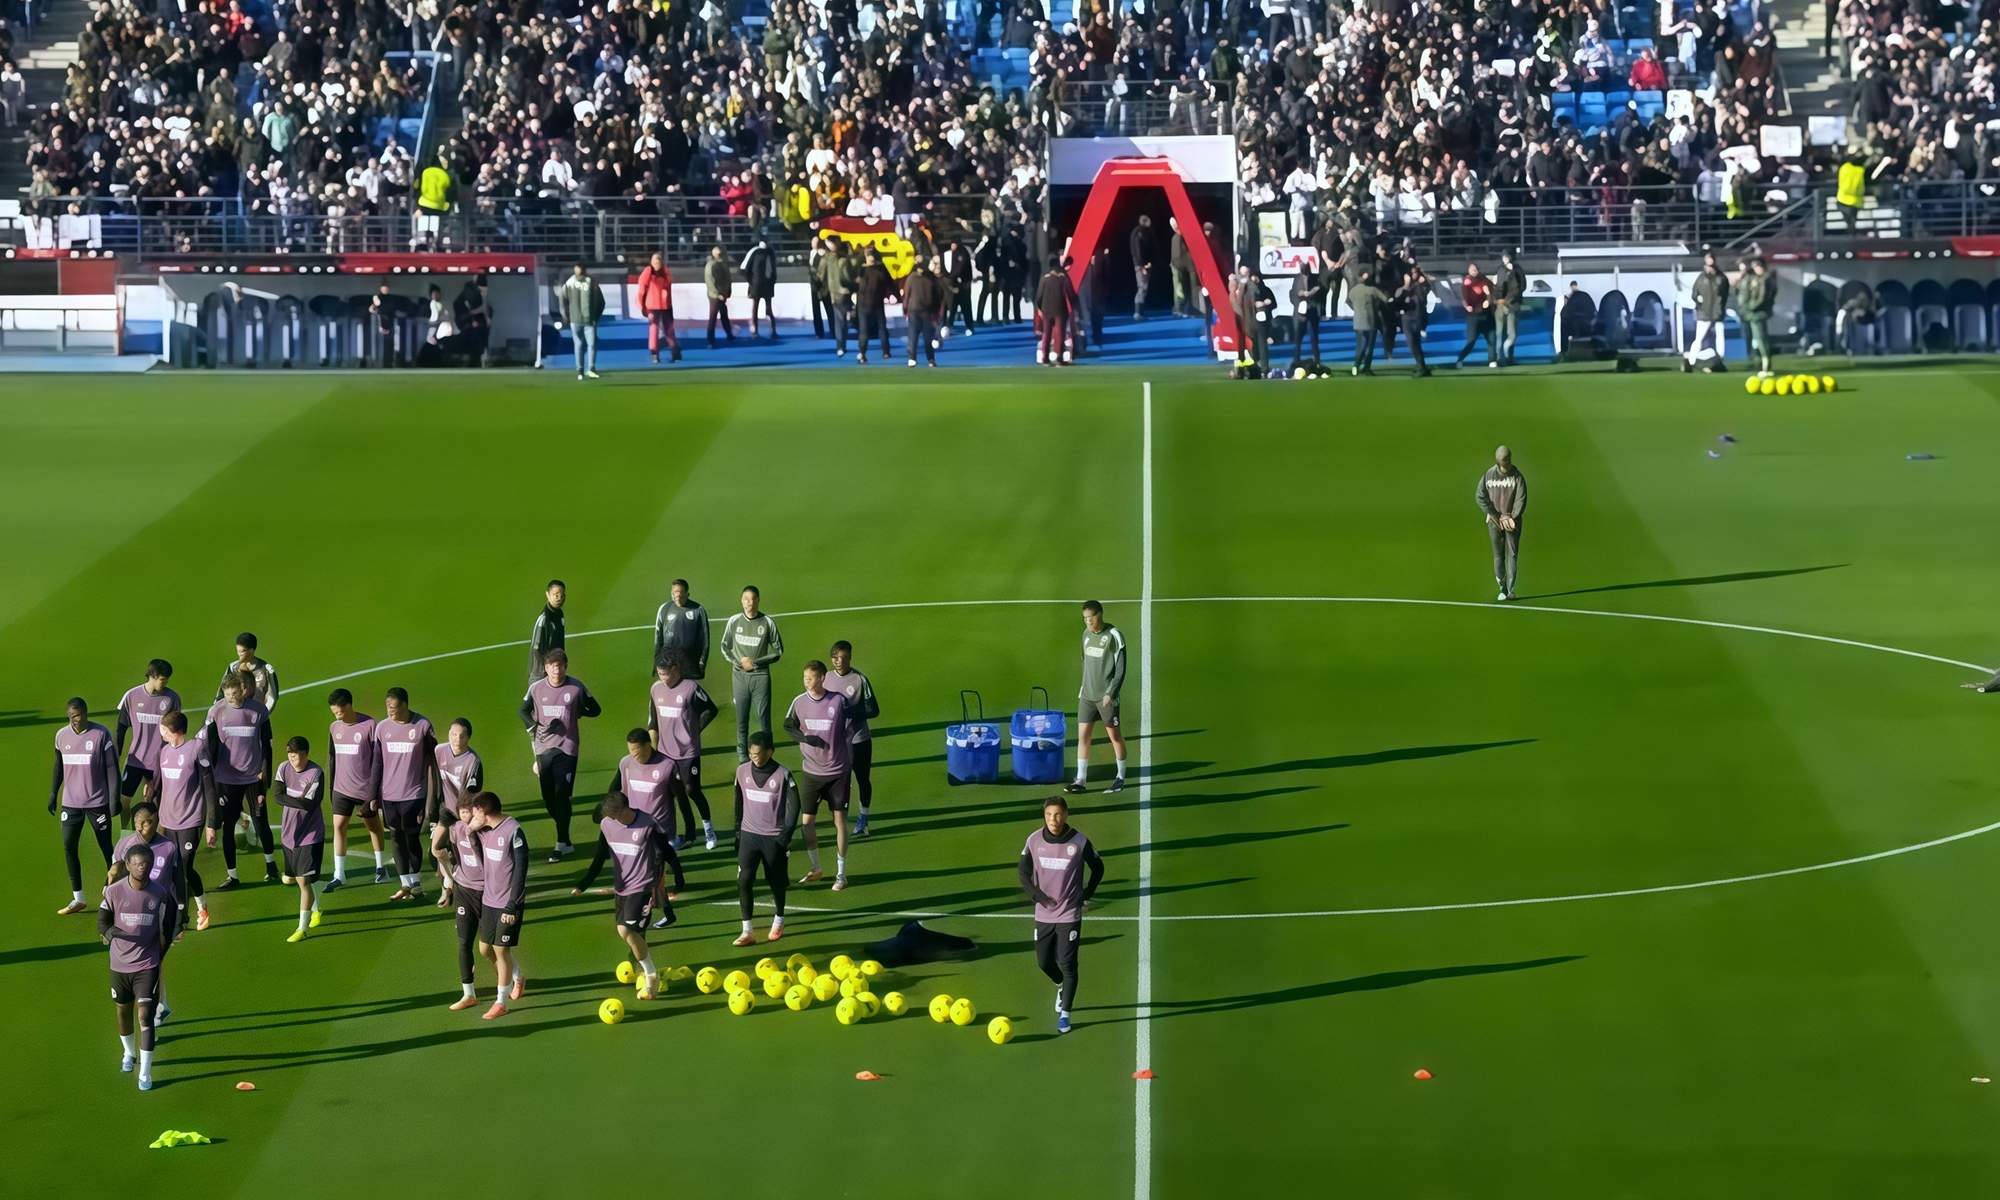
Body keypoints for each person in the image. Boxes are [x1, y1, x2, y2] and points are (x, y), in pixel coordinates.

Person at [572, 790, 677, 998]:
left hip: (643, 887)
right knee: (632, 932)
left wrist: (673, 881)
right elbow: (600, 857)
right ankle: (641, 968)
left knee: (626, 930)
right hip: (622, 889)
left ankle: (651, 974)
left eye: (612, 815)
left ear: (623, 810)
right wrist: (583, 884)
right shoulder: (607, 825)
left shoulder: (648, 824)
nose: (610, 819)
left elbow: (665, 852)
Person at [1018, 795, 1104, 1035]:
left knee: (1067, 964)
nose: (1052, 820)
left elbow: (1098, 867)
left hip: (1069, 913)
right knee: (1043, 962)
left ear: (1065, 815)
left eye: (1057, 815)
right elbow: (1023, 873)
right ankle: (1060, 985)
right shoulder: (1034, 840)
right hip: (1043, 913)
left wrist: (1086, 893)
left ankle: (1065, 1013)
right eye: (1048, 815)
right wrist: (1039, 897)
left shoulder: (1079, 842)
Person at [99, 841, 178, 1090]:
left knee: (145, 1016)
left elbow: (169, 925)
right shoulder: (114, 892)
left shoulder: (160, 894)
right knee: (123, 1012)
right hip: (119, 965)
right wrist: (111, 934)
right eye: (138, 864)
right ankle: (128, 1054)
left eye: (147, 864)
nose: (143, 867)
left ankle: (145, 1073)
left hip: (147, 964)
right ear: (129, 865)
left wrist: (159, 953)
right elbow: (102, 922)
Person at [519, 649, 600, 860]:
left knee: (562, 794)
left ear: (565, 666)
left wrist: (578, 711)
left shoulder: (576, 687)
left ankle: (561, 842)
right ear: (546, 668)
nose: (556, 669)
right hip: (544, 748)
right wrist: (534, 728)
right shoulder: (536, 688)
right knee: (549, 799)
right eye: (552, 666)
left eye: (560, 665)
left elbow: (596, 709)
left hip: (568, 748)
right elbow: (523, 711)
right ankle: (564, 835)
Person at [783, 660, 853, 890]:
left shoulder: (838, 701)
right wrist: (804, 739)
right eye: (805, 679)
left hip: (837, 772)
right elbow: (788, 726)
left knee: (839, 820)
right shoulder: (799, 701)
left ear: (822, 678)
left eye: (811, 678)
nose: (807, 683)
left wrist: (845, 750)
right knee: (807, 822)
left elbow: (852, 727)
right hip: (811, 772)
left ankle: (841, 873)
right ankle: (816, 868)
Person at [202, 674, 274, 888]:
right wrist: (212, 774)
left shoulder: (259, 711)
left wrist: (265, 773)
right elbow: (209, 744)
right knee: (229, 826)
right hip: (226, 779)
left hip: (253, 777)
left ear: (242, 691)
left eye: (235, 693)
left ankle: (271, 867)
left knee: (261, 822)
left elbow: (267, 745)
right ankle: (232, 876)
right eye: (227, 694)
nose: (231, 698)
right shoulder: (216, 712)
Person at [732, 731, 801, 946]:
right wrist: (737, 832)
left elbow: (795, 806)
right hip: (749, 836)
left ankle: (779, 918)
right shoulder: (741, 771)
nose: (755, 758)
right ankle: (747, 931)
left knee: (776, 882)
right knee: (744, 880)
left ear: (770, 752)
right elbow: (738, 800)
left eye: (759, 753)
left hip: (773, 838)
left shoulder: (783, 775)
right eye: (751, 754)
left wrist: (785, 836)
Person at [648, 650, 720, 850]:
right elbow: (653, 719)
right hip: (665, 753)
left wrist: (695, 730)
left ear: (676, 669)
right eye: (660, 674)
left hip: (688, 752)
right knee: (676, 794)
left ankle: (709, 831)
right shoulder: (656, 689)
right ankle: (688, 835)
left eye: (666, 674)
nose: (663, 678)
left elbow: (710, 709)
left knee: (693, 791)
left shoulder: (691, 688)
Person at [375, 687, 440, 902]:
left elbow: (434, 761)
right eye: (387, 707)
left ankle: (416, 882)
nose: (390, 712)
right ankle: (405, 883)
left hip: (414, 794)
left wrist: (433, 798)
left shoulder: (422, 726)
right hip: (389, 795)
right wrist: (374, 795)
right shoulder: (382, 728)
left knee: (411, 837)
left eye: (394, 708)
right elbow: (377, 763)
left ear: (405, 705)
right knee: (395, 836)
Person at [152, 712, 214, 931]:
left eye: (162, 729)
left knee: (185, 867)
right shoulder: (164, 752)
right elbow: (158, 785)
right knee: (173, 868)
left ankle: (200, 909)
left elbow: (209, 787)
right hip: (168, 821)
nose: (160, 733)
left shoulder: (197, 749)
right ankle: (181, 915)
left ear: (173, 731)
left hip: (191, 820)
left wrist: (211, 823)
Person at [468, 793, 527, 1019]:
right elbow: (469, 837)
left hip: (507, 903)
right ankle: (517, 976)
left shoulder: (514, 832)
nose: (473, 816)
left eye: (476, 812)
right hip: (489, 900)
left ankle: (501, 1002)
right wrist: (471, 828)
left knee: (501, 950)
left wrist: (513, 906)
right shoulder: (484, 832)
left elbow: (521, 870)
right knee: (485, 949)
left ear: (484, 811)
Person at [613, 729, 689, 900]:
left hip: (659, 825)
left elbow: (681, 798)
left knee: (658, 857)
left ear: (648, 746)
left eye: (637, 751)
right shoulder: (625, 763)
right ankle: (673, 882)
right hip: (635, 823)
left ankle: (657, 895)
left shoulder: (667, 765)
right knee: (662, 855)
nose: (633, 755)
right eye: (630, 750)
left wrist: (690, 827)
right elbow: (614, 790)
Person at [322, 689, 385, 892]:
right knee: (338, 826)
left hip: (365, 789)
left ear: (349, 706)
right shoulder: (334, 728)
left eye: (339, 712)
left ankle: (381, 867)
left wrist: (374, 793)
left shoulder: (370, 725)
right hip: (341, 788)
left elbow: (378, 760)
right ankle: (339, 874)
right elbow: (332, 758)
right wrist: (332, 787)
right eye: (334, 713)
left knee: (373, 826)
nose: (337, 717)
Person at [1066, 601, 1128, 794]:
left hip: (1106, 698)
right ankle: (1081, 779)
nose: (1088, 622)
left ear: (1100, 615)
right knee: (1083, 737)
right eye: (1085, 618)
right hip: (1087, 696)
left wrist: (1111, 693)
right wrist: (1084, 688)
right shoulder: (1085, 635)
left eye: (1091, 618)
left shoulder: (1114, 635)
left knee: (1114, 737)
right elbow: (1085, 662)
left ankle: (1120, 777)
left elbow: (1121, 669)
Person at [434, 792, 487, 1010]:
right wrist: (450, 879)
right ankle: (469, 993)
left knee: (490, 947)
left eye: (468, 812)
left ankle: (515, 975)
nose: (465, 816)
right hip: (465, 890)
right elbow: (440, 850)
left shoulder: (486, 833)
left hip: (487, 892)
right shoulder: (455, 829)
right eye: (462, 812)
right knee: (464, 942)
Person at [720, 585, 783, 761]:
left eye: (753, 599)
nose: (749, 602)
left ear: (758, 600)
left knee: (764, 719)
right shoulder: (734, 621)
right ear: (741, 601)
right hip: (739, 677)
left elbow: (778, 651)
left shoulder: (767, 622)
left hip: (760, 677)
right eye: (746, 599)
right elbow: (724, 646)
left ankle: (768, 754)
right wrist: (738, 663)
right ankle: (742, 756)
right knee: (741, 719)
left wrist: (754, 662)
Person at [273, 736, 327, 942]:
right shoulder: (283, 768)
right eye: (289, 754)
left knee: (303, 880)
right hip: (289, 834)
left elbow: (311, 805)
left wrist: (289, 799)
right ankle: (317, 905)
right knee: (294, 878)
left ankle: (302, 928)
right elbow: (277, 796)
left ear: (306, 754)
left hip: (310, 834)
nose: (292, 758)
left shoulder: (316, 773)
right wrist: (297, 800)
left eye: (295, 754)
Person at [824, 641, 880, 835]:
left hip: (858, 739)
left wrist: (849, 712)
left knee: (862, 778)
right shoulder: (825, 679)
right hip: (835, 741)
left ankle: (864, 817)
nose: (839, 661)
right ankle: (842, 819)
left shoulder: (859, 679)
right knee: (840, 780)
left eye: (843, 657)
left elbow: (874, 709)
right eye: (835, 657)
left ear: (849, 658)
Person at [114, 660, 180, 810]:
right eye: (163, 679)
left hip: (159, 761)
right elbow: (121, 727)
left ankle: (153, 833)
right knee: (124, 801)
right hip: (135, 760)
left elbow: (176, 731)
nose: (165, 683)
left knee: (155, 803)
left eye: (167, 679)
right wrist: (116, 754)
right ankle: (127, 833)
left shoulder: (172, 699)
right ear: (152, 676)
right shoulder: (131, 696)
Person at [432, 717, 482, 903]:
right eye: (453, 734)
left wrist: (465, 819)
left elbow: (471, 794)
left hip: (465, 816)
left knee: (471, 855)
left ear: (468, 737)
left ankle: (464, 888)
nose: (457, 739)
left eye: (462, 736)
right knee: (436, 849)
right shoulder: (439, 751)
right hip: (446, 810)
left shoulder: (473, 761)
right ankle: (449, 880)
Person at [1476, 445, 1528, 601]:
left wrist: (1512, 516)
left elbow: (1521, 499)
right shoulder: (1489, 476)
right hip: (1494, 522)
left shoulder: (1517, 476)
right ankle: (1502, 588)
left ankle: (1511, 590)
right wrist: (1495, 514)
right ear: (1499, 462)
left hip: (1512, 523)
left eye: (1509, 459)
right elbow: (1480, 496)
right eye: (1506, 460)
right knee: (1499, 556)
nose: (1509, 462)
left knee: (1512, 554)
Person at [554, 262, 604, 380]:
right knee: (584, 344)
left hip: (585, 320)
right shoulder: (574, 283)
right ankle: (583, 369)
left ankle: (587, 369)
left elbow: (600, 301)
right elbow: (562, 299)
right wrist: (566, 315)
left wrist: (566, 315)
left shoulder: (583, 283)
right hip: (579, 320)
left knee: (584, 345)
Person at [652, 578, 709, 680]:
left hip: (690, 665)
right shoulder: (664, 609)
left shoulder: (698, 610)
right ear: (671, 593)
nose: (678, 596)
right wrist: (656, 663)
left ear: (687, 594)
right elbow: (658, 638)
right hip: (668, 664)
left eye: (681, 592)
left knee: (689, 694)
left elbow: (705, 641)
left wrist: (701, 665)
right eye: (675, 592)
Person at [1683, 252, 1730, 372]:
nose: (1709, 267)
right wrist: (1698, 300)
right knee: (1699, 338)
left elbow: (1724, 295)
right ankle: (1691, 361)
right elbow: (1694, 294)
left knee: (1720, 338)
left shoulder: (1721, 278)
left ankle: (1719, 361)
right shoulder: (1701, 278)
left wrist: (1720, 309)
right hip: (1704, 312)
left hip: (1717, 312)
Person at [636, 251, 681, 363]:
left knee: (669, 330)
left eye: (659, 260)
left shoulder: (666, 272)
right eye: (655, 260)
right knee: (654, 330)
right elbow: (642, 289)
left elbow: (668, 286)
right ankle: (654, 353)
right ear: (651, 262)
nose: (657, 262)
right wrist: (642, 306)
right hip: (652, 305)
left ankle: (675, 351)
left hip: (666, 306)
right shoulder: (648, 272)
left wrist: (669, 303)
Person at [215, 631, 279, 712]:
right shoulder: (232, 668)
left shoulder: (266, 670)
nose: (239, 654)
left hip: (256, 717)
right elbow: (221, 692)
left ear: (251, 650)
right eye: (238, 651)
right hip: (234, 715)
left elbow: (272, 697)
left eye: (243, 651)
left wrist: (262, 715)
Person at [1454, 262, 1498, 368]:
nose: (1474, 270)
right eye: (1472, 269)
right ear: (1469, 270)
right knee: (1471, 340)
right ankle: (1460, 359)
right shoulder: (1467, 282)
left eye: (1475, 268)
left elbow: (1491, 294)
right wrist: (1467, 306)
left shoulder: (1484, 280)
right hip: (1473, 317)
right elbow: (1464, 298)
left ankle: (1492, 360)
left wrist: (1488, 298)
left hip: (1487, 315)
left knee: (1491, 339)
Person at [854, 248, 894, 364]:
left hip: (864, 304)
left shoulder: (861, 270)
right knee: (882, 328)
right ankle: (885, 351)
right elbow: (890, 283)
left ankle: (862, 353)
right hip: (877, 303)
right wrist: (894, 295)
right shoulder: (881, 269)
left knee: (864, 330)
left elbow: (854, 283)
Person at [903, 255, 943, 368]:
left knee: (923, 337)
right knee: (916, 337)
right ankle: (920, 358)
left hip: (923, 312)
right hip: (917, 311)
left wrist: (905, 310)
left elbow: (937, 295)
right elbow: (938, 295)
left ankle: (925, 359)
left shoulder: (916, 278)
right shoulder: (919, 278)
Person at [1737, 256, 1775, 377]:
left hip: (1757, 313)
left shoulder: (1765, 279)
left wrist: (1750, 307)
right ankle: (1758, 362)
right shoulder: (1751, 279)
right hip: (1750, 313)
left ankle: (1765, 364)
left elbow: (1762, 298)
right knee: (1755, 339)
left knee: (1761, 338)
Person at [1034, 257, 1074, 367]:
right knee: (1060, 333)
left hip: (1046, 310)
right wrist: (1074, 306)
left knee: (1046, 334)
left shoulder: (1045, 277)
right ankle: (1059, 358)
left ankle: (1045, 358)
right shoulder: (1063, 276)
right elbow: (1070, 292)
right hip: (1060, 309)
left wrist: (1040, 309)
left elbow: (1038, 296)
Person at [1395, 264, 1433, 377]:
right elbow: (1399, 300)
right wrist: (1406, 285)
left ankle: (1421, 367)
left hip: (1416, 317)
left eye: (1415, 273)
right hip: (1407, 318)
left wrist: (1424, 282)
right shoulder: (1404, 288)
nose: (1413, 275)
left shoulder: (1420, 287)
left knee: (1414, 343)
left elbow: (1422, 297)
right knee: (1413, 344)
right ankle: (1421, 365)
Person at [1349, 269, 1386, 376]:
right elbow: (1385, 299)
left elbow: (1347, 301)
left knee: (1361, 345)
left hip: (1360, 322)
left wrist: (1355, 309)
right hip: (1371, 321)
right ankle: (1364, 366)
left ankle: (1358, 365)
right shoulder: (1372, 290)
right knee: (1369, 346)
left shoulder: (1354, 290)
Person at [1493, 250, 1526, 367]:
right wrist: (1498, 300)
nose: (1505, 258)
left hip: (1511, 305)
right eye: (1504, 256)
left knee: (1511, 335)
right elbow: (1497, 287)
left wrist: (1506, 300)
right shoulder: (1500, 270)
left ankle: (1507, 356)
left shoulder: (1517, 270)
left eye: (1507, 256)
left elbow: (1520, 287)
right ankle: (1501, 358)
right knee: (1500, 333)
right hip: (1502, 305)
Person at [741, 237, 778, 338]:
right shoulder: (754, 251)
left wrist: (772, 282)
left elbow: (773, 270)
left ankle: (773, 330)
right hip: (756, 285)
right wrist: (751, 282)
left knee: (768, 309)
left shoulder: (771, 252)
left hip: (767, 285)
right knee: (755, 309)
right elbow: (745, 268)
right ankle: (755, 330)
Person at [529, 579, 565, 680]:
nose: (559, 598)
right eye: (556, 595)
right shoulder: (544, 619)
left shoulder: (559, 614)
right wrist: (547, 670)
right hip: (541, 674)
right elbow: (536, 649)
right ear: (547, 595)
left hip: (555, 671)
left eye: (562, 595)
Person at [702, 244, 736, 348]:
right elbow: (711, 283)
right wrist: (718, 294)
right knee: (713, 317)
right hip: (715, 296)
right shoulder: (712, 266)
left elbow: (727, 279)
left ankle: (729, 334)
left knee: (724, 314)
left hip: (722, 294)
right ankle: (710, 340)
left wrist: (727, 292)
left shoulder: (722, 264)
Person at [827, 241, 857, 357]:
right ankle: (841, 345)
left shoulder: (831, 260)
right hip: (843, 292)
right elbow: (848, 276)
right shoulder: (844, 261)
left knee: (839, 321)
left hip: (836, 293)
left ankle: (840, 346)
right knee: (842, 321)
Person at [1290, 269, 1324, 369]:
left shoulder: (1314, 278)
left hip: (1312, 312)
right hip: (1300, 314)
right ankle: (1296, 362)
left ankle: (1317, 362)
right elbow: (1292, 294)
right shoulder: (1296, 279)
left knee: (1314, 339)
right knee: (1297, 339)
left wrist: (1311, 294)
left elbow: (1320, 292)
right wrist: (1299, 299)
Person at [942, 238, 976, 335]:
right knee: (951, 308)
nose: (952, 246)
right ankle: (949, 326)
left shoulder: (962, 253)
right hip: (954, 286)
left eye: (954, 244)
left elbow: (960, 269)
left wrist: (954, 280)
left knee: (965, 308)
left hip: (963, 286)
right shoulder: (950, 254)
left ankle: (969, 327)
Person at [807, 239, 833, 339]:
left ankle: (833, 330)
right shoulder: (812, 253)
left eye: (816, 242)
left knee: (829, 309)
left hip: (824, 286)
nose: (814, 243)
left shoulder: (824, 254)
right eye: (813, 241)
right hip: (814, 286)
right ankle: (819, 332)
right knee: (816, 310)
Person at [1129, 214, 1154, 319]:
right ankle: (1138, 312)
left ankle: (1141, 312)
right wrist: (1142, 265)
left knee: (1143, 286)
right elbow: (1138, 250)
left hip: (1142, 264)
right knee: (1142, 286)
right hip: (1141, 265)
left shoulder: (1139, 232)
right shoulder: (1139, 233)